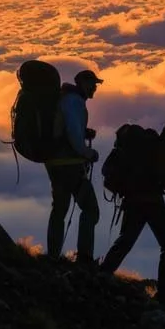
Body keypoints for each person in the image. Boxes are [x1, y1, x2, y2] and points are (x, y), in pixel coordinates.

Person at [98, 124, 165, 301]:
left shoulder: (141, 145)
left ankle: (104, 271)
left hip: (132, 201)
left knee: (126, 239)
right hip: (152, 203)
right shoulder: (162, 151)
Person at [44, 69, 102, 264]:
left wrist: (84, 133)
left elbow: (65, 130)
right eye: (93, 83)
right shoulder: (74, 102)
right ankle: (84, 258)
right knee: (91, 209)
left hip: (54, 162)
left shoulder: (65, 99)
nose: (95, 87)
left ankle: (52, 255)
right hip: (70, 165)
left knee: (59, 210)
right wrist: (88, 153)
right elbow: (74, 137)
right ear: (84, 83)